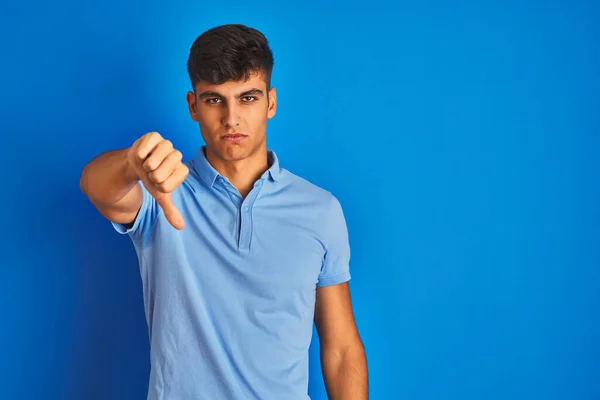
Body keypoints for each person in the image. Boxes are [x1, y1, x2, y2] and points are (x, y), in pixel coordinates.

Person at [80, 23, 368, 399]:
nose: (231, 118)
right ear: (193, 105)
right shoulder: (162, 190)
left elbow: (342, 347)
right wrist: (130, 164)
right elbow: (96, 187)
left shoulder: (320, 210)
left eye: (247, 98)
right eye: (215, 99)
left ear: (271, 102)